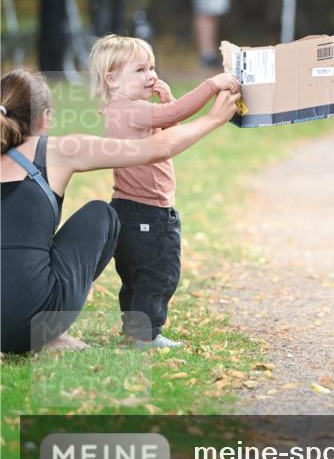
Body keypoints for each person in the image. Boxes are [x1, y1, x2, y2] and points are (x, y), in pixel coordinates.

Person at [0, 68, 240, 355]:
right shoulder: (56, 150)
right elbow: (154, 149)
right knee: (102, 214)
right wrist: (213, 118)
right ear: (44, 117)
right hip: (34, 323)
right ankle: (55, 335)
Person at [88, 35, 240, 348]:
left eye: (152, 67)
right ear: (113, 80)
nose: (151, 75)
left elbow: (168, 128)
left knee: (136, 275)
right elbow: (175, 117)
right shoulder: (128, 109)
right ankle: (146, 335)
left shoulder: (129, 110)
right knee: (159, 273)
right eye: (141, 70)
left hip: (129, 209)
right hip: (147, 211)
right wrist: (211, 86)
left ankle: (135, 330)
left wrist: (166, 102)